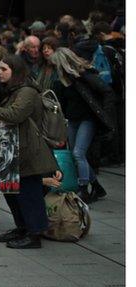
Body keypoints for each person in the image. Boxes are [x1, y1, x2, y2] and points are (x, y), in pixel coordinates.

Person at [0, 54, 59, 249]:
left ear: (15, 71)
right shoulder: (15, 90)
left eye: (3, 69)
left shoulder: (27, 91)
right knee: (12, 192)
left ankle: (34, 233)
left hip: (29, 152)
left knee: (28, 194)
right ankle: (23, 227)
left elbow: (15, 114)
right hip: (16, 149)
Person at [48, 48, 115, 203]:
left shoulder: (84, 76)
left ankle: (83, 188)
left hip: (88, 119)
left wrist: (105, 114)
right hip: (73, 119)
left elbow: (106, 92)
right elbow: (62, 103)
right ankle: (96, 186)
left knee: (78, 153)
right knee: (75, 154)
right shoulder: (63, 82)